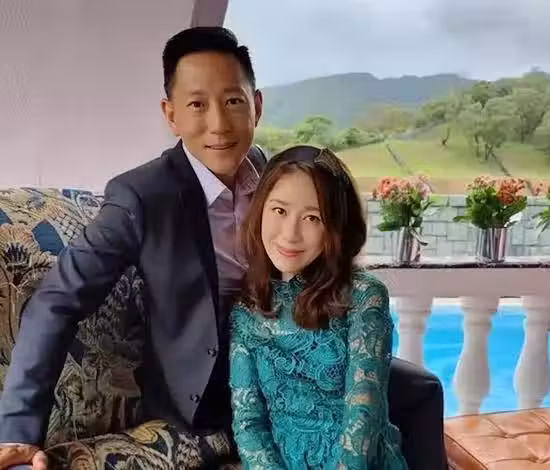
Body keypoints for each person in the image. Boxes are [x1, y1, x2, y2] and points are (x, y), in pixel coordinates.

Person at [0, 27, 447, 469]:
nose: (219, 124)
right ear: (171, 114)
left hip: (290, 357)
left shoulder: (273, 176)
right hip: (205, 390)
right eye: (197, 104)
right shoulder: (141, 198)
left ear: (256, 106)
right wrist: (18, 430)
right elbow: (57, 300)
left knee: (421, 388)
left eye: (233, 101)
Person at [229, 145, 407, 469]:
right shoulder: (247, 309)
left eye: (312, 218)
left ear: (336, 226)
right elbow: (249, 424)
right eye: (279, 211)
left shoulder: (364, 297)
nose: (290, 234)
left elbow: (363, 418)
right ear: (260, 210)